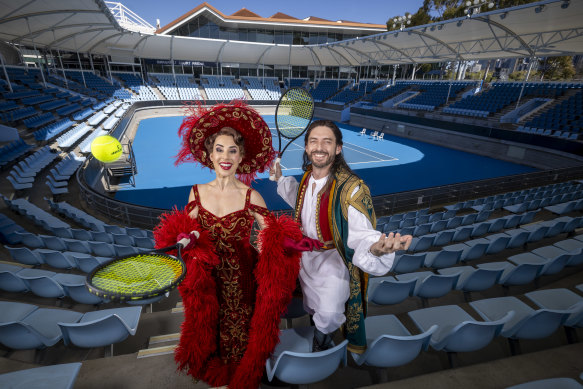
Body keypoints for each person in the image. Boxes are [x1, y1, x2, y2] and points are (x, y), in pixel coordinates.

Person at [153, 101, 320, 389]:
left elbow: (273, 235)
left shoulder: (251, 196)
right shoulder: (196, 192)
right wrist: (184, 238)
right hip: (208, 280)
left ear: (241, 156)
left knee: (241, 330)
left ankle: (242, 377)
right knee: (209, 326)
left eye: (232, 150)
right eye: (219, 149)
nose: (225, 156)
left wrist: (293, 241)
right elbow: (186, 231)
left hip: (243, 280)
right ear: (209, 154)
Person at [271, 119, 413, 354]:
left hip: (332, 263)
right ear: (306, 147)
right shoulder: (307, 178)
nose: (319, 147)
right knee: (308, 304)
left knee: (328, 313)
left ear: (338, 148)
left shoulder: (352, 188)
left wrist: (377, 248)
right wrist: (279, 178)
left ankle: (321, 345)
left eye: (327, 142)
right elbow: (299, 199)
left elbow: (363, 233)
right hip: (304, 259)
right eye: (314, 141)